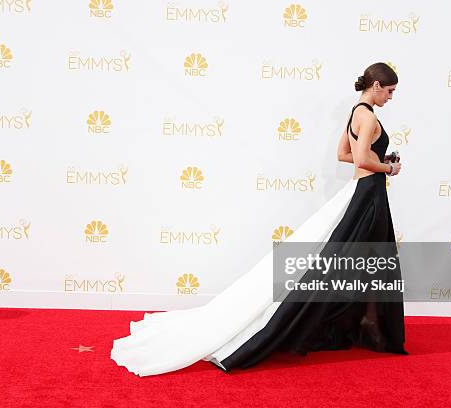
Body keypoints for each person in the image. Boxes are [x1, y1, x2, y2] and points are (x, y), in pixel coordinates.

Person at [111, 62, 408, 376]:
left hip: (363, 192)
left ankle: (353, 326)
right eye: (389, 91)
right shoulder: (369, 115)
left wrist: (379, 160)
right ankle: (365, 329)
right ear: (376, 85)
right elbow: (360, 159)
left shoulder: (354, 112)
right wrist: (389, 167)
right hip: (368, 195)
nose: (390, 97)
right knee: (361, 261)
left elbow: (343, 154)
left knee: (352, 261)